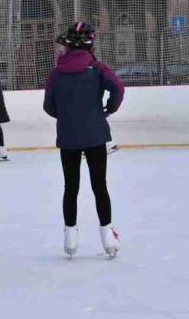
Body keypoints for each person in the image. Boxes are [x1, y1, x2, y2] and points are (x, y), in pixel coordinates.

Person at [43, 21, 125, 259]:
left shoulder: (56, 73)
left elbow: (49, 106)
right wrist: (107, 109)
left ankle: (70, 239)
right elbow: (118, 88)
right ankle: (108, 238)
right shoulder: (97, 68)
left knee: (71, 187)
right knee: (100, 186)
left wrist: (67, 115)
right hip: (95, 134)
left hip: (68, 137)